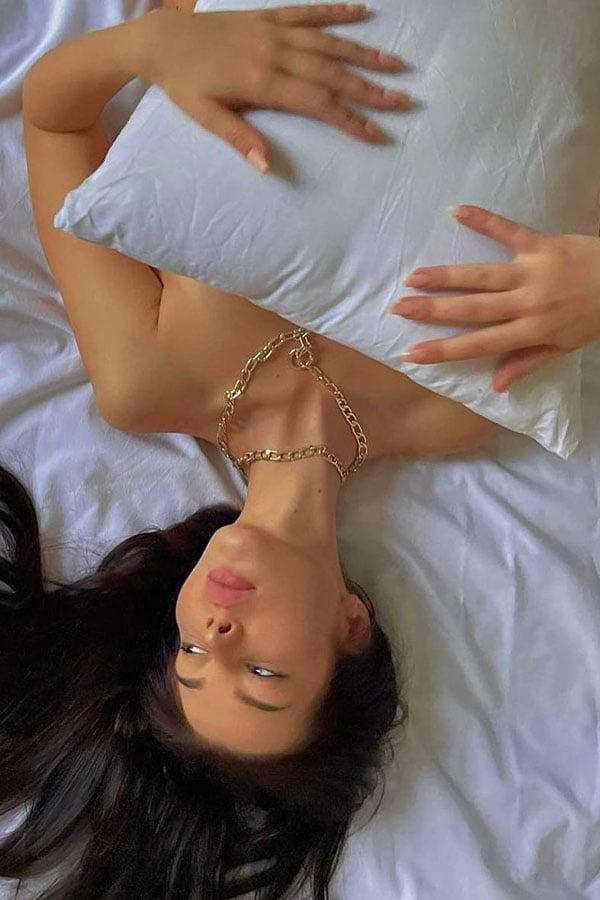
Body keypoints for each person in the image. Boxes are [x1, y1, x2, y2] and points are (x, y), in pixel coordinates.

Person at [0, 2, 514, 898]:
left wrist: (154, 45)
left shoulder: (147, 383)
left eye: (191, 657)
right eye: (262, 672)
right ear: (349, 627)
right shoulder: (455, 411)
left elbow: (53, 117)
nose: (216, 633)